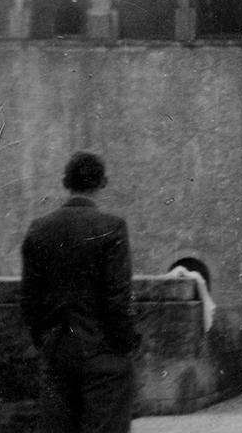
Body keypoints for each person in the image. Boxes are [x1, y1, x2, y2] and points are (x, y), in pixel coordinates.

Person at [20, 151, 140, 433]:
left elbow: (29, 300)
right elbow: (117, 300)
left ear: (66, 182)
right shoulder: (112, 228)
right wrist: (125, 345)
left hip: (57, 351)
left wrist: (48, 341)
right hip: (103, 353)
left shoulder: (39, 229)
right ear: (103, 183)